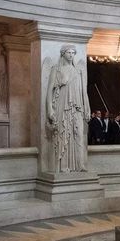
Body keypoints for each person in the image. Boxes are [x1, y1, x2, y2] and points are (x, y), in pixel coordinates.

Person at [45, 45, 91, 173]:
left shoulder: (78, 70)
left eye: (73, 53)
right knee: (64, 134)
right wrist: (50, 109)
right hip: (62, 106)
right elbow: (49, 92)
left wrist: (87, 107)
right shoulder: (57, 69)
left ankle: (80, 164)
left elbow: (83, 91)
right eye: (68, 52)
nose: (71, 55)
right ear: (63, 54)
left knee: (79, 135)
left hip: (77, 107)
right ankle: (64, 165)